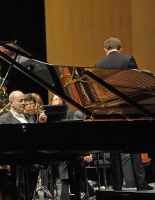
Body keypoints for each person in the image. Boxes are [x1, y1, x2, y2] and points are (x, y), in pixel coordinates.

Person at [95, 37, 152, 191]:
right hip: (129, 110)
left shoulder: (98, 64)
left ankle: (116, 184)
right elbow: (137, 83)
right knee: (135, 146)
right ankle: (141, 184)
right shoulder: (128, 59)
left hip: (109, 111)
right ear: (120, 48)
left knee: (114, 148)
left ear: (105, 49)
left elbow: (98, 91)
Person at [0, 90, 47, 199]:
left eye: (24, 100)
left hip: (32, 160)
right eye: (20, 101)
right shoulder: (3, 119)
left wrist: (40, 124)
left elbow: (36, 137)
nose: (23, 103)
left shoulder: (30, 117)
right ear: (11, 102)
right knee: (19, 194)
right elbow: (3, 142)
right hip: (16, 162)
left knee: (30, 192)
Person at [49, 94, 94, 200]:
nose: (58, 100)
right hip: (55, 149)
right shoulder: (47, 115)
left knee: (68, 158)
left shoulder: (70, 113)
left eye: (60, 98)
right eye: (55, 99)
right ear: (51, 102)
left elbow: (76, 136)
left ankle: (65, 193)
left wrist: (86, 152)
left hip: (70, 148)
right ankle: (86, 190)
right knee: (67, 158)